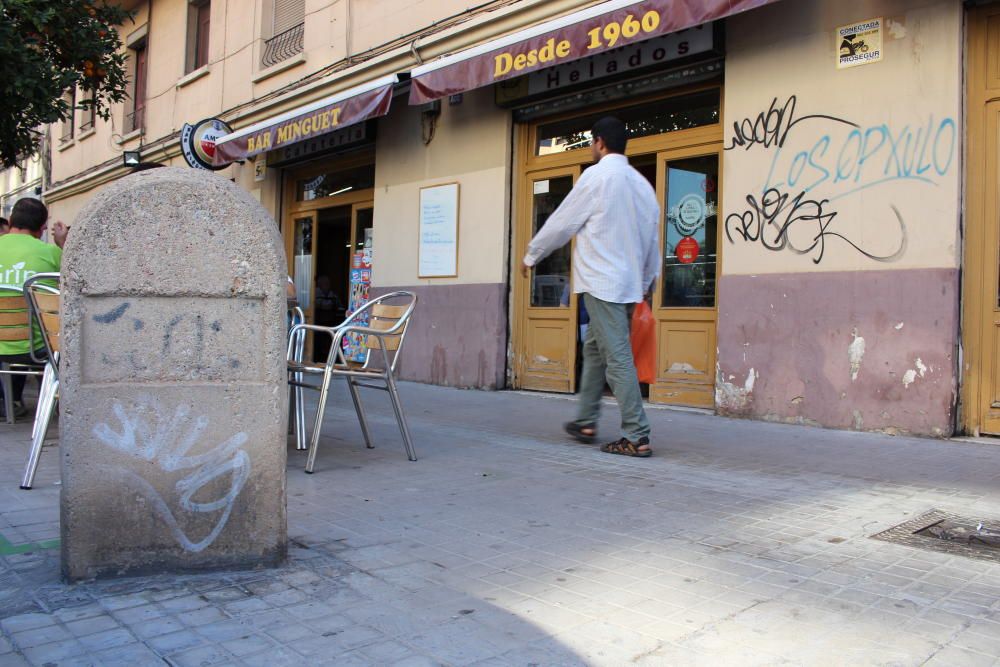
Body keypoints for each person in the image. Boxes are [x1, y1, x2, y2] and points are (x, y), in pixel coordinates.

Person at [521, 117, 660, 458]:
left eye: (590, 143)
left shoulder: (596, 177)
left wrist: (532, 255)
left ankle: (636, 435)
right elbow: (651, 241)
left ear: (599, 143)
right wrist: (645, 283)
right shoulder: (642, 186)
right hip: (628, 285)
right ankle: (586, 420)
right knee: (596, 350)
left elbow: (562, 222)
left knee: (617, 357)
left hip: (602, 284)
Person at [0, 198, 62, 416]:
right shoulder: (51, 253)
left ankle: (10, 404)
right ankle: (60, 405)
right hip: (37, 347)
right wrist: (64, 245)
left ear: (10, 221)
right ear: (42, 228)